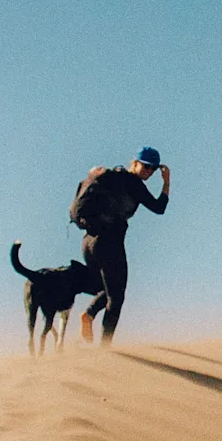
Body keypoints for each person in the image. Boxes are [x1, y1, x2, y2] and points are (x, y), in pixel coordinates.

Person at [70, 147, 170, 346]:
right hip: (109, 242)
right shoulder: (133, 183)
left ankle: (89, 316)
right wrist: (166, 182)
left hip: (89, 242)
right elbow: (159, 208)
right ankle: (104, 346)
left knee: (108, 289)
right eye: (145, 166)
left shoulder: (109, 178)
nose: (148, 172)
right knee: (117, 297)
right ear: (134, 163)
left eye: (152, 169)